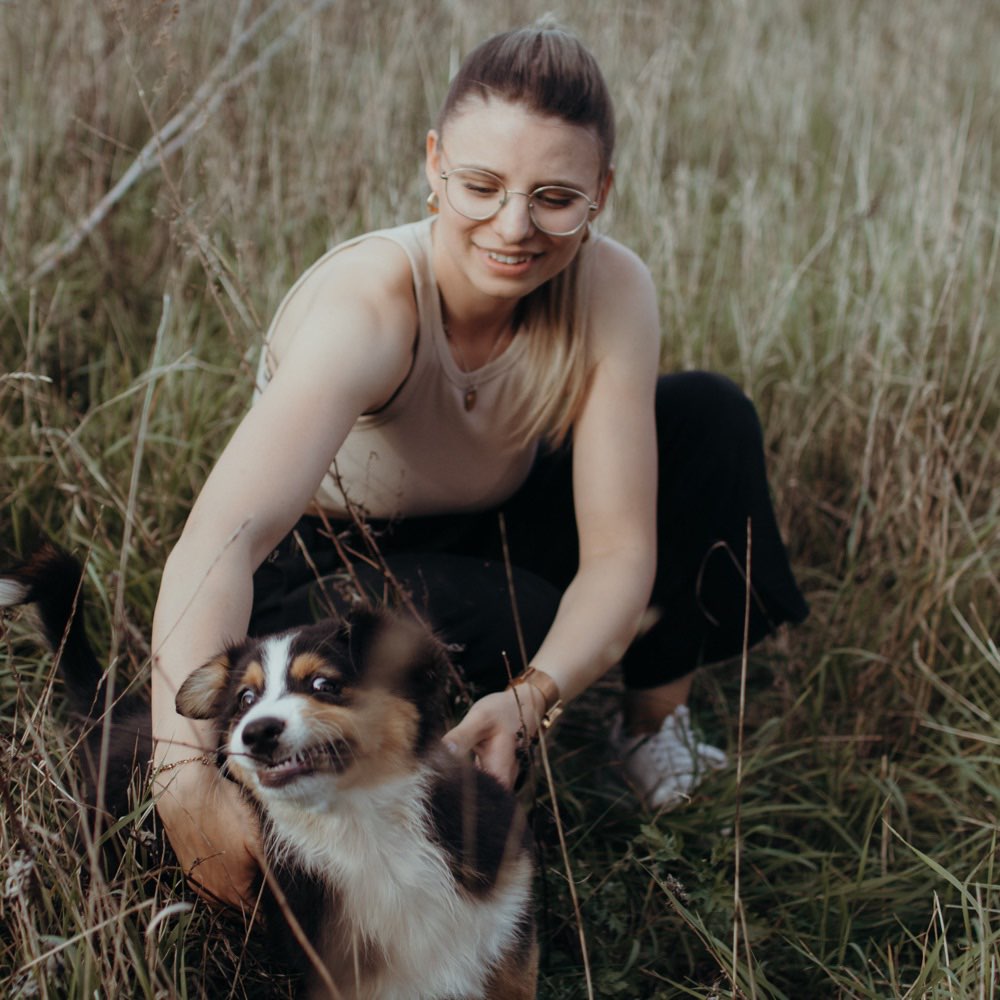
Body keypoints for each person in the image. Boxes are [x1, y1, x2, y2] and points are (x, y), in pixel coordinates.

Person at [150, 23, 808, 908]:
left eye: (555, 197)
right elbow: (216, 546)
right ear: (433, 164)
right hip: (329, 574)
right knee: (518, 613)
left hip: (485, 517)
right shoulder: (373, 305)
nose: (513, 227)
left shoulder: (612, 287)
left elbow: (620, 552)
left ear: (600, 192)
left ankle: (649, 728)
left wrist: (534, 697)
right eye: (481, 186)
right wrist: (184, 784)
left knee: (707, 418)